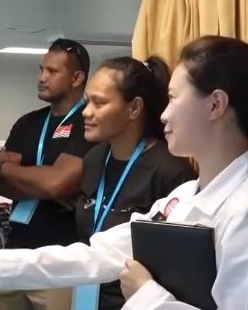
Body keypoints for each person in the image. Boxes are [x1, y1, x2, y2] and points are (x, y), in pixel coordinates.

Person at [0, 35, 248, 310]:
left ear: (215, 106)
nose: (164, 115)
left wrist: (147, 295)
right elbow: (99, 254)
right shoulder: (185, 198)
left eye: (174, 99)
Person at [73, 56, 196, 309]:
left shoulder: (170, 172)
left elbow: (181, 265)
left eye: (99, 102)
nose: (86, 112)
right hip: (85, 295)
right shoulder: (94, 159)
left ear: (134, 108)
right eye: (87, 102)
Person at [0, 38, 96, 310]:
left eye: (52, 71)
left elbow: (54, 184)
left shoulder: (89, 122)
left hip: (60, 261)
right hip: (16, 254)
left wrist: (8, 169)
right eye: (41, 69)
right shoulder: (28, 123)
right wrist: (42, 184)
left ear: (77, 78)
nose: (42, 77)